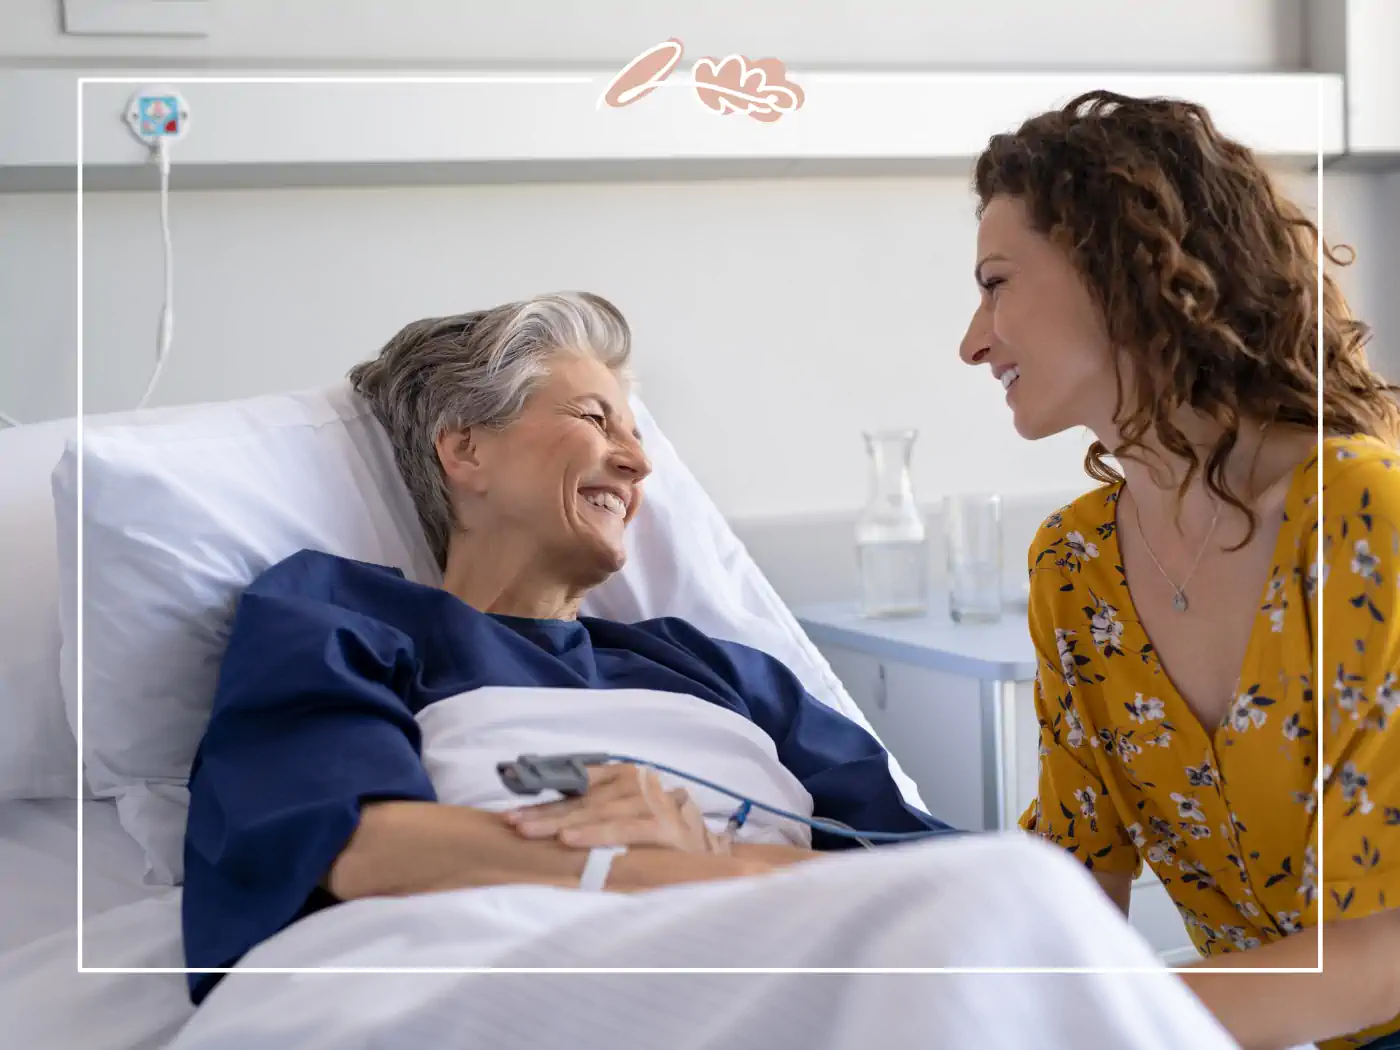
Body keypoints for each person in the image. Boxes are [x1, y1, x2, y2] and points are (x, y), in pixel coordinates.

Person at [179, 291, 956, 1007]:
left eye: (637, 435)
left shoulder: (717, 670)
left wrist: (724, 859)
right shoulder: (341, 614)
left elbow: (932, 871)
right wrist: (674, 872)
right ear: (465, 452)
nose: (639, 461)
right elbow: (351, 845)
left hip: (803, 961)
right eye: (595, 420)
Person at [959, 89, 1400, 1050]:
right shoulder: (1073, 567)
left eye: (996, 283)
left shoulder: (1364, 515)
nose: (973, 341)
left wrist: (1065, 1019)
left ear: (1115, 264)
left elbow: (1377, 959)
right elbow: (1075, 897)